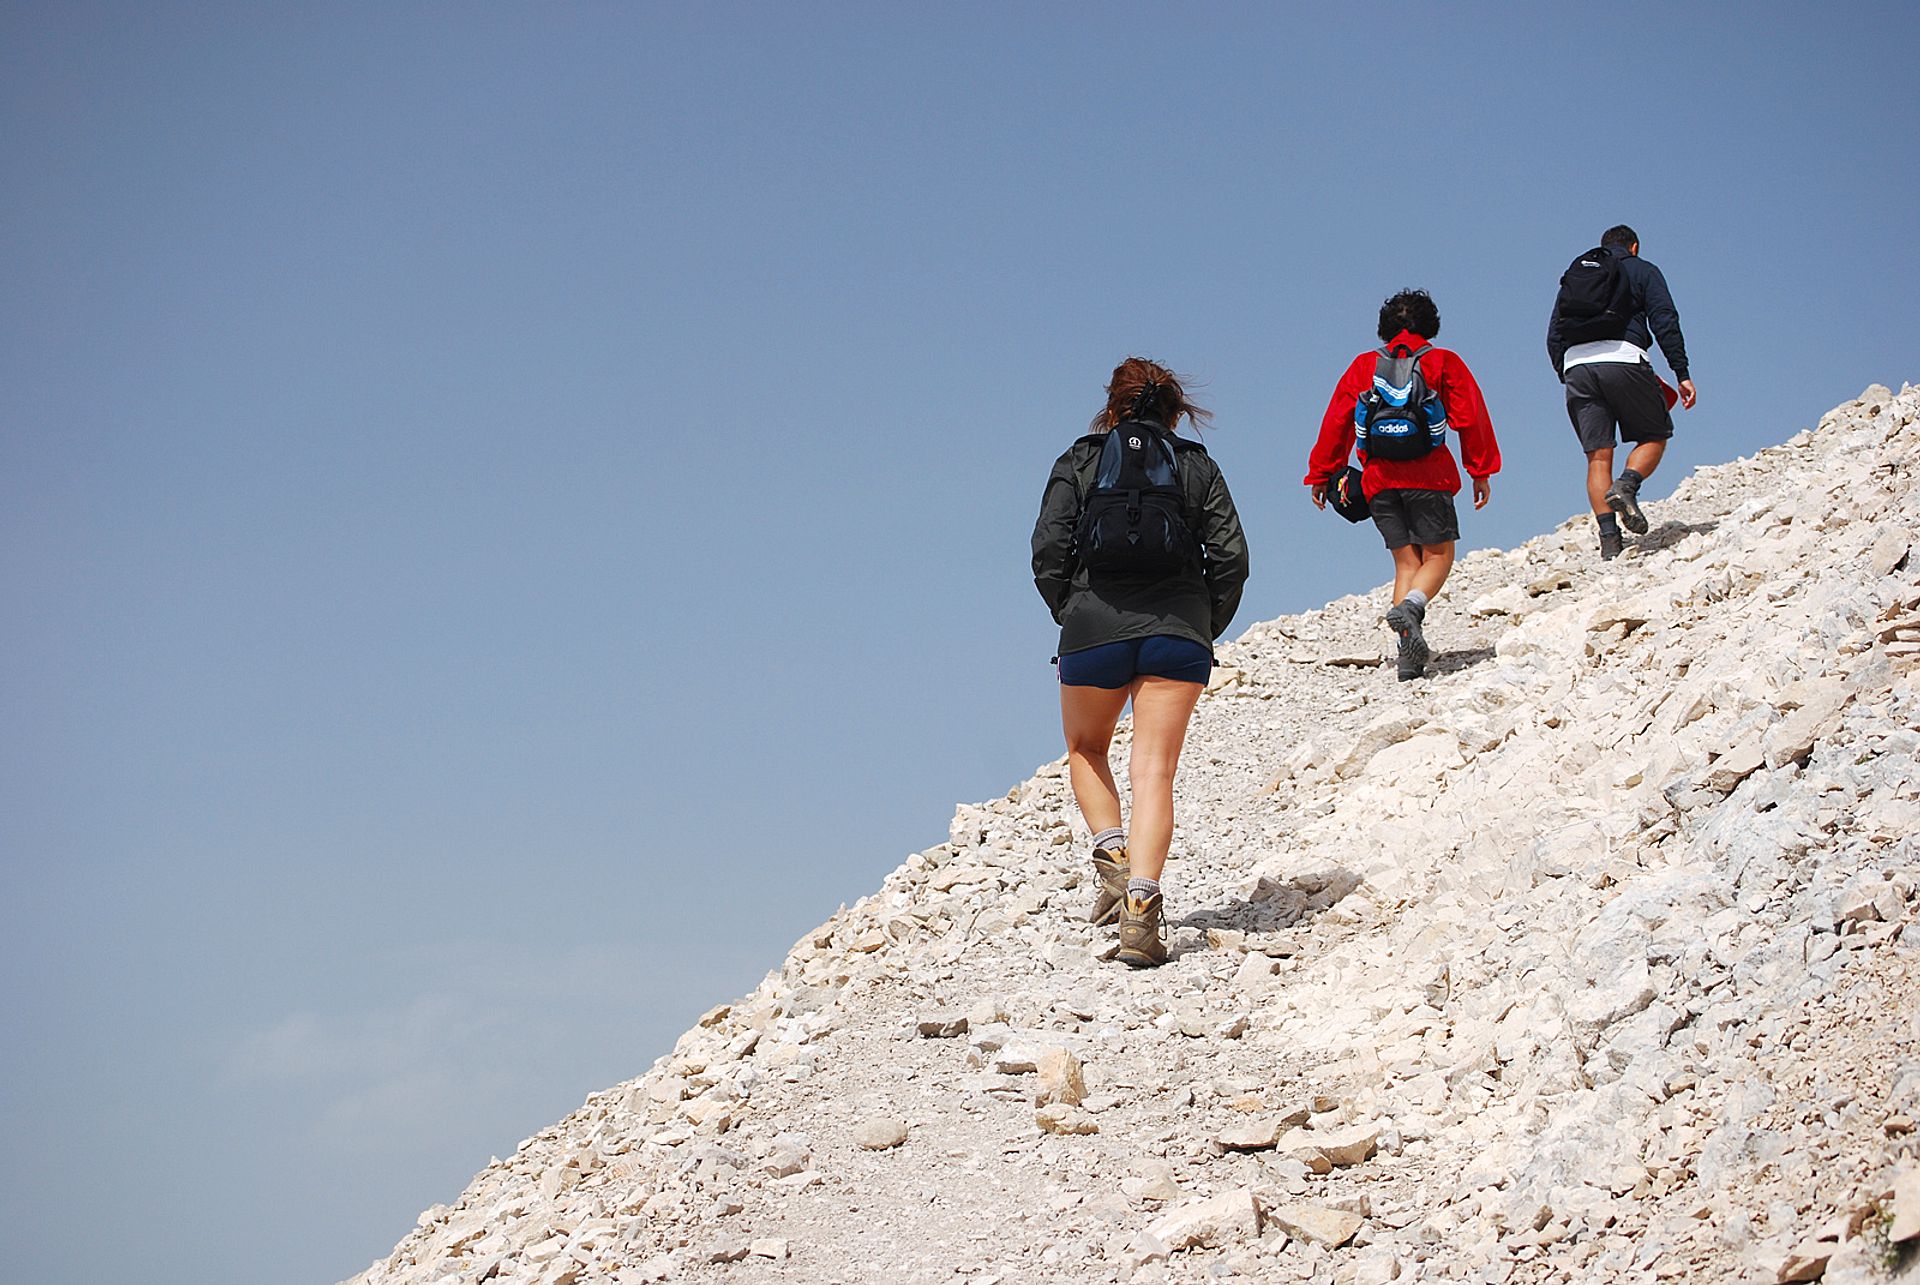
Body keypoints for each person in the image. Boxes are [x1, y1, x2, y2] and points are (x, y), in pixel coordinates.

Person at [1031, 358, 1249, 968]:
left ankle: (1112, 853)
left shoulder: (1078, 460)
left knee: (1085, 748)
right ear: (1175, 410)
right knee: (1153, 770)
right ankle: (1142, 910)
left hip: (1092, 626)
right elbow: (1231, 556)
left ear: (1112, 406)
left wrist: (1071, 612)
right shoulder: (1195, 464)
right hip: (1178, 629)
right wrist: (1203, 625)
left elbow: (1047, 546)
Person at [1306, 289, 1501, 680]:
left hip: (1379, 479)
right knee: (1439, 556)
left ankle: (1407, 659)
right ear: (1430, 325)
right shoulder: (1443, 361)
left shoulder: (1363, 365)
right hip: (1430, 476)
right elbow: (1470, 417)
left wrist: (1321, 473)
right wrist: (1480, 469)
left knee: (1405, 562)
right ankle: (1412, 608)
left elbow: (1337, 421)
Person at [1546, 224, 1696, 559]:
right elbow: (1664, 319)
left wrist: (1567, 372)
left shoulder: (1578, 275)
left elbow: (1554, 332)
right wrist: (1681, 372)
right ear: (1634, 247)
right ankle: (1626, 486)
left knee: (1598, 457)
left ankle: (1610, 543)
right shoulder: (1642, 270)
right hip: (1625, 359)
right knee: (1656, 433)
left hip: (1577, 368)